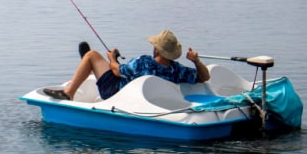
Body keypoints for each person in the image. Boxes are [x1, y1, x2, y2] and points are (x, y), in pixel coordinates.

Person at [43, 29, 210, 101]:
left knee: (92, 55)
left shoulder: (144, 62)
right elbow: (204, 77)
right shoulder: (176, 70)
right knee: (106, 66)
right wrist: (196, 60)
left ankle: (69, 93)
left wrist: (112, 58)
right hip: (147, 98)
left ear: (157, 50)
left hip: (115, 92)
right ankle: (90, 70)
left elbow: (117, 71)